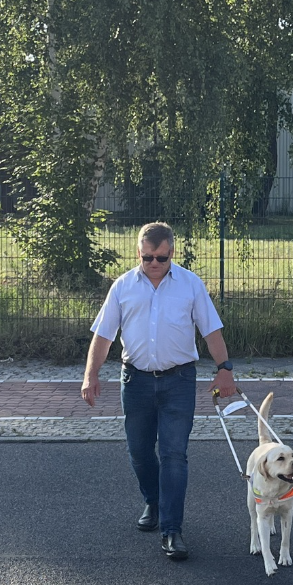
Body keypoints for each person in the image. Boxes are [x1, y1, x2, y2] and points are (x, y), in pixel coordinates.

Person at [81, 221, 237, 560]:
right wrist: (90, 375)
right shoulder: (123, 286)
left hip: (178, 381)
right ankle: (153, 500)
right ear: (138, 253)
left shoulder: (190, 285)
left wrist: (224, 369)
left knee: (174, 455)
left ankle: (171, 530)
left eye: (162, 258)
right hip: (135, 382)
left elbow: (211, 330)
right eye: (148, 257)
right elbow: (104, 335)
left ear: (172, 253)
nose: (154, 264)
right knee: (139, 452)